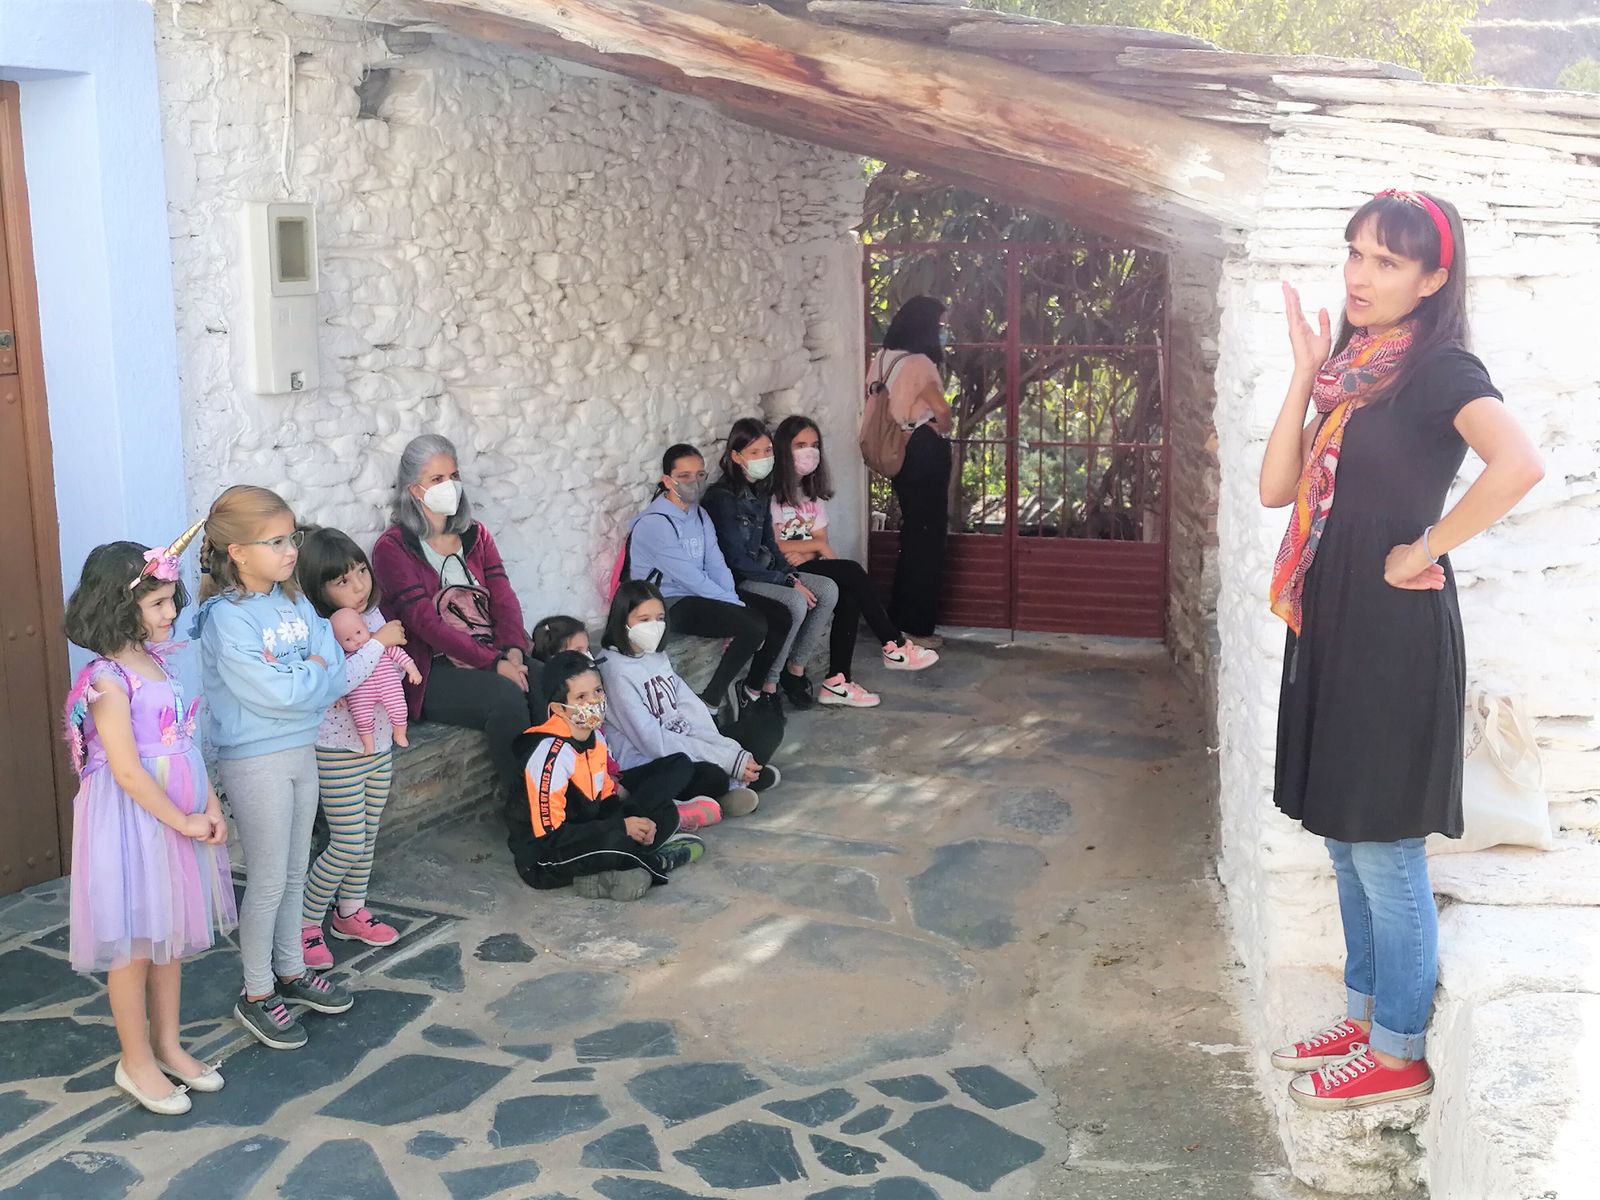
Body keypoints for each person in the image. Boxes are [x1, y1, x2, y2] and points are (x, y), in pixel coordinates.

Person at [1262, 189, 1544, 1110]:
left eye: (1386, 260)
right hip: (1336, 622)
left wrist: (1426, 547)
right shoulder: (1353, 371)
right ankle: (1364, 1010)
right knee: (1346, 839)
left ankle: (1398, 1051)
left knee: (1384, 848)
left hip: (1392, 634)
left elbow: (1520, 463)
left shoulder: (1440, 367)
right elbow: (1277, 489)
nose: (1359, 274)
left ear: (1432, 277)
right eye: (1354, 252)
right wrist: (1307, 370)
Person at [60, 534, 235, 1115]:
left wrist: (208, 806)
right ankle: (134, 1060)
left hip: (176, 817)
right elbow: (130, 773)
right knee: (135, 946)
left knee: (169, 942)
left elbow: (183, 743)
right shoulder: (108, 680)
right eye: (158, 603)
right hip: (136, 823)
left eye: (171, 601)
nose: (171, 613)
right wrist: (182, 820)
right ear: (119, 605)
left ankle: (167, 1044)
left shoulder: (157, 664)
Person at [193, 486, 354, 1051]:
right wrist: (307, 677)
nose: (292, 551)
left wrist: (305, 679)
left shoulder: (296, 603)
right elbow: (270, 693)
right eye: (278, 541)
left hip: (300, 749)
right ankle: (256, 992)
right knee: (265, 879)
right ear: (237, 551)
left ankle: (290, 970)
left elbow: (332, 672)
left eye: (294, 538)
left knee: (293, 870)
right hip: (256, 758)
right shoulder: (223, 619)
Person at [371, 433, 534, 819]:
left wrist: (511, 650)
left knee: (553, 680)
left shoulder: (475, 536)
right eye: (437, 479)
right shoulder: (393, 547)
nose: (450, 486)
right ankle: (524, 810)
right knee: (505, 697)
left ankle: (567, 793)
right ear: (414, 489)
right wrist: (495, 665)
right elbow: (424, 623)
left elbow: (503, 595)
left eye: (454, 475)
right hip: (432, 669)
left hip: (491, 650)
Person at [295, 527, 410, 972]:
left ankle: (349, 913)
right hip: (337, 750)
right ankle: (304, 925)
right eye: (342, 580)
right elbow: (332, 684)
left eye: (361, 571)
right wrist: (376, 649)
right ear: (317, 588)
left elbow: (390, 679)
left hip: (378, 744)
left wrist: (376, 658)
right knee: (344, 841)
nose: (359, 585)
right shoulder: (319, 630)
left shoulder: (375, 616)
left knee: (367, 835)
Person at [770, 414, 939, 707]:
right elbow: (776, 545)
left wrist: (811, 547)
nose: (809, 451)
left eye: (814, 444)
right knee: (850, 570)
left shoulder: (812, 495)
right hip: (780, 570)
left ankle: (837, 680)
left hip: (804, 563)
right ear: (784, 449)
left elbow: (821, 544)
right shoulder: (772, 496)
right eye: (800, 445)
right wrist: (815, 545)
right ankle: (894, 644)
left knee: (848, 594)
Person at [508, 651, 705, 901]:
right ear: (559, 708)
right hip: (543, 857)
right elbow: (551, 837)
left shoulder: (595, 737)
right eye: (581, 696)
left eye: (598, 691)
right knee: (615, 841)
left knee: (664, 812)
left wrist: (632, 821)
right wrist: (621, 827)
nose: (594, 702)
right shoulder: (551, 755)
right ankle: (655, 862)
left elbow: (605, 799)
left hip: (585, 828)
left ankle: (625, 864)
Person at [599, 580, 782, 820]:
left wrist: (729, 751)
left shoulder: (655, 656)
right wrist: (726, 760)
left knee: (770, 727)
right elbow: (653, 743)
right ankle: (730, 785)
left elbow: (692, 711)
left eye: (659, 618)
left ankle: (734, 783)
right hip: (653, 763)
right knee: (709, 774)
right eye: (643, 620)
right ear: (622, 620)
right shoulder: (614, 671)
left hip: (686, 743)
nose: (654, 627)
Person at [625, 443, 785, 712]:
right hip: (668, 602)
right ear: (667, 480)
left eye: (700, 475)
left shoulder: (699, 515)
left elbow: (716, 563)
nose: (694, 482)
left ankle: (752, 691)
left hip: (699, 594)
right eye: (685, 476)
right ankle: (710, 700)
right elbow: (689, 578)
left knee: (780, 615)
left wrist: (732, 600)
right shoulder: (655, 523)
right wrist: (734, 608)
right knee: (753, 625)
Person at [703, 417, 838, 711]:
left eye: (767, 451)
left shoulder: (761, 492)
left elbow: (771, 545)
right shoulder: (721, 498)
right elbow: (736, 560)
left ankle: (796, 669)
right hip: (738, 579)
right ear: (736, 457)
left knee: (827, 589)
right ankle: (767, 684)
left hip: (765, 571)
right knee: (795, 602)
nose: (764, 458)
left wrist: (792, 575)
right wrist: (787, 583)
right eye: (755, 453)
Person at [872, 295, 954, 648]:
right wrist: (940, 425)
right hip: (921, 447)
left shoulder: (882, 359)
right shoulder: (921, 363)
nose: (944, 332)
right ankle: (917, 627)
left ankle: (898, 618)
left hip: (894, 450)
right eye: (940, 325)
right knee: (928, 538)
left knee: (912, 532)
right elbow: (942, 410)